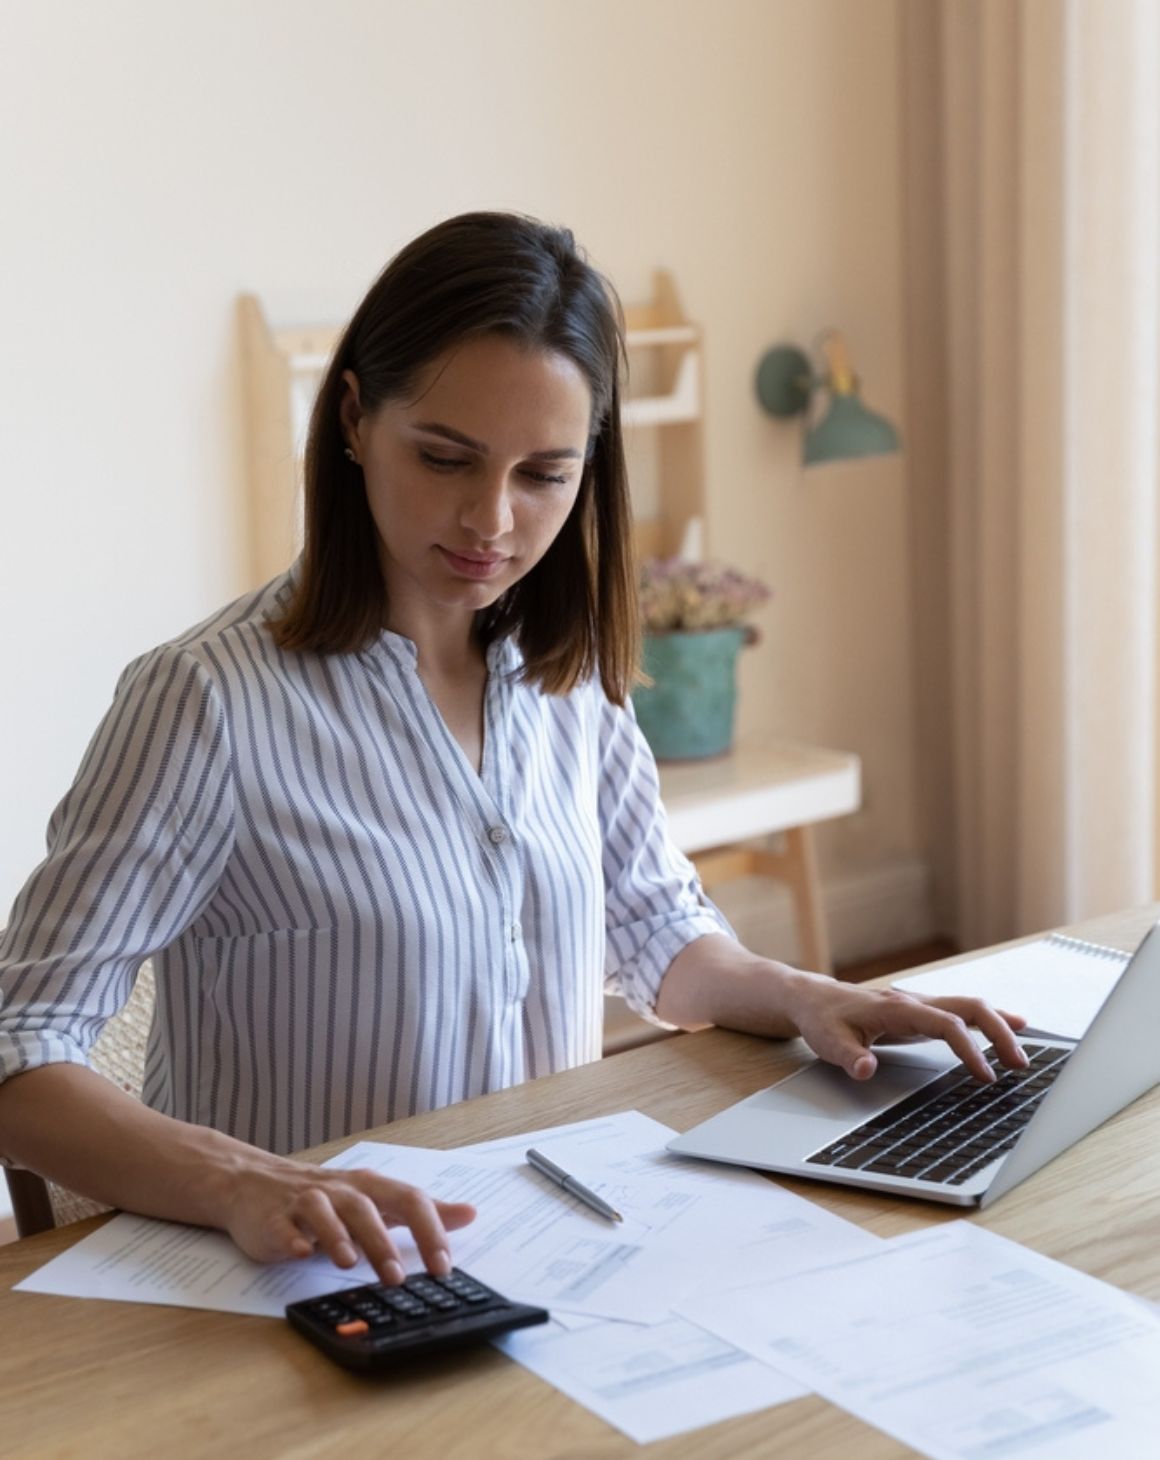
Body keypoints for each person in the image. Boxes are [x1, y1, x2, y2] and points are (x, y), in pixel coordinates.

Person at [0, 211, 1028, 1285]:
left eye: (543, 474)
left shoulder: (566, 672)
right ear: (353, 417)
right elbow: (19, 1051)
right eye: (444, 457)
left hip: (546, 1257)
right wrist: (241, 1179)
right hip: (310, 1290)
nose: (489, 519)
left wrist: (803, 992)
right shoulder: (205, 700)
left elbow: (657, 928)